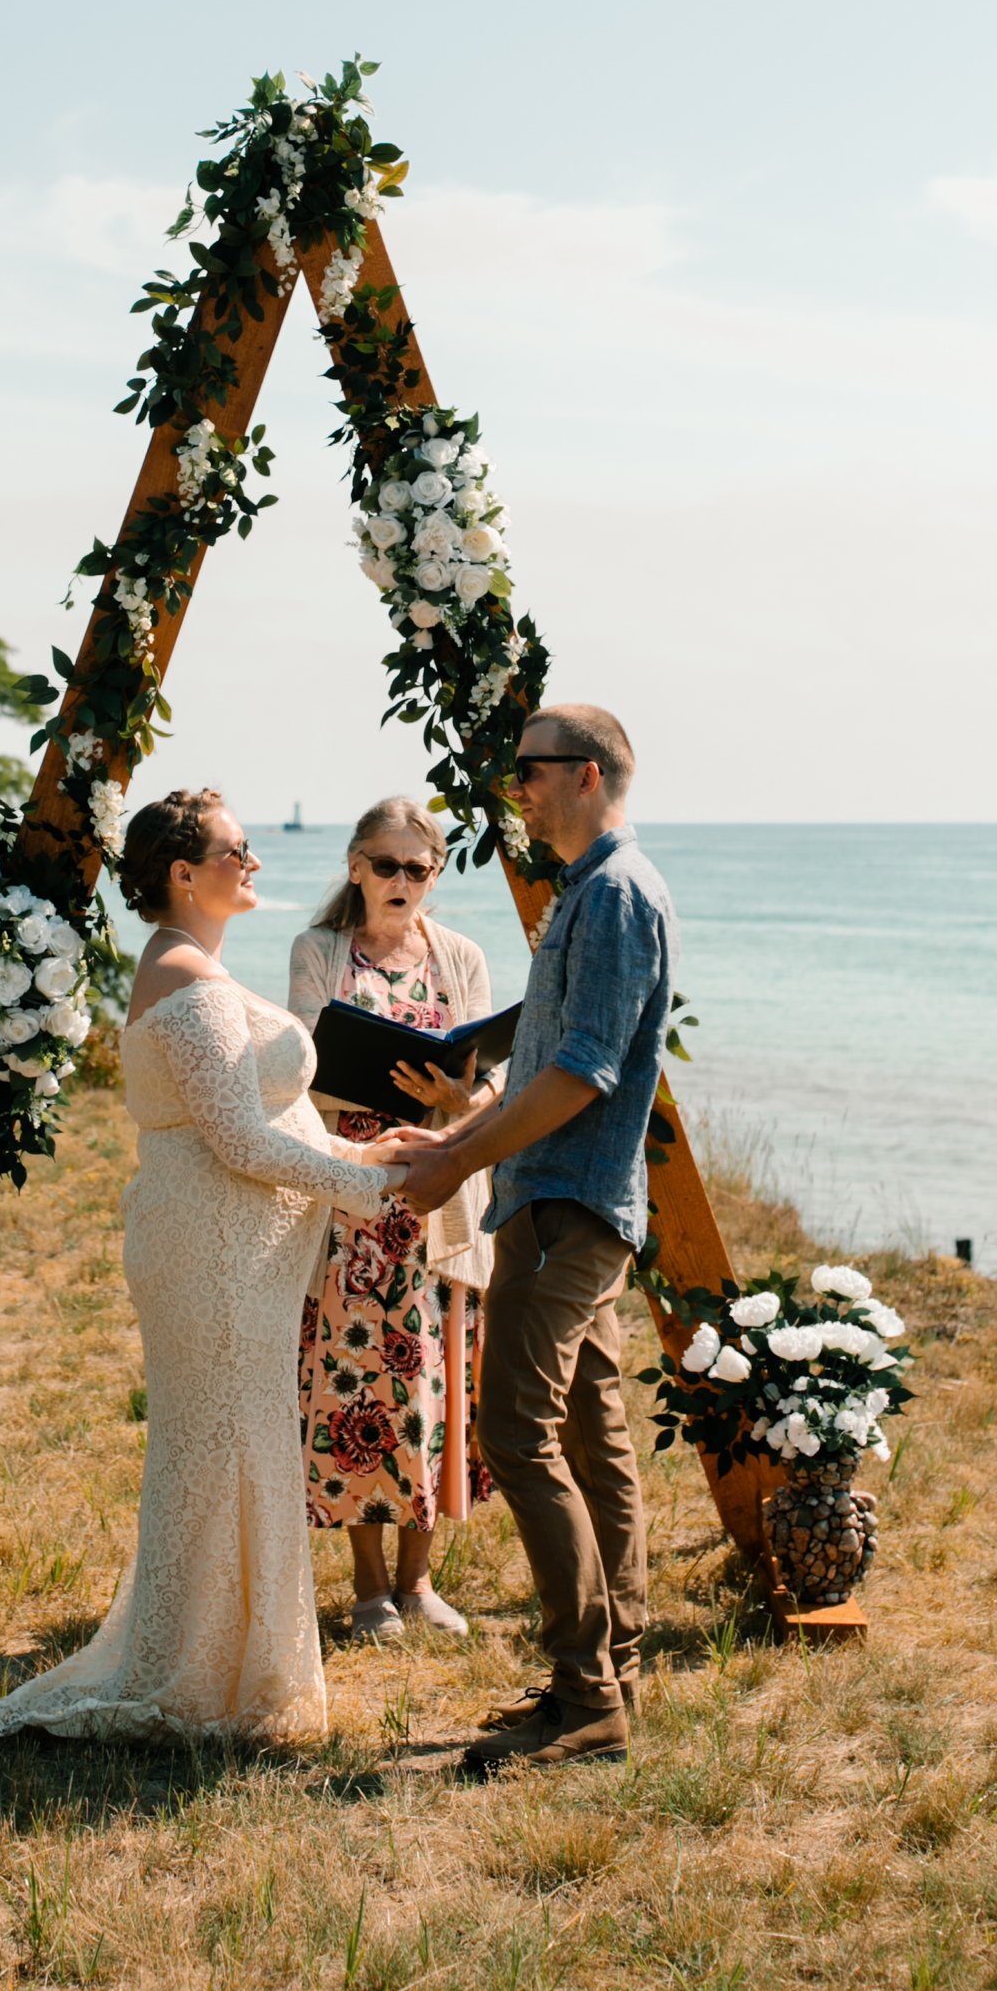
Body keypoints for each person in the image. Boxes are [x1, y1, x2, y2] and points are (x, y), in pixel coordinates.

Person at [0, 788, 407, 1747]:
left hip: (234, 1257)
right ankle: (198, 1672)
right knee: (223, 1452)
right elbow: (241, 1143)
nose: (252, 863)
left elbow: (251, 1129)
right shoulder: (183, 979)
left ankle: (230, 1659)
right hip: (213, 1256)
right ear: (183, 872)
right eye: (236, 850)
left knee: (234, 1449)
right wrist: (367, 1188)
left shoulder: (192, 969)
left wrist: (369, 1161)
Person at [387, 705, 674, 1777]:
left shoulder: (613, 896)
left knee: (513, 1427)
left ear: (588, 776)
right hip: (551, 1196)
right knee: (593, 1437)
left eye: (531, 771)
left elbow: (583, 1071)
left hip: (573, 1203)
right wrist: (460, 1130)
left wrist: (458, 1164)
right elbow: (543, 1055)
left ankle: (590, 1693)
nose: (514, 788)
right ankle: (602, 1680)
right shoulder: (585, 892)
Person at [289, 796, 497, 1641]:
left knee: (433, 1387)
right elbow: (302, 1070)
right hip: (353, 1199)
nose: (401, 881)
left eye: (418, 868)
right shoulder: (319, 951)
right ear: (354, 866)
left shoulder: (462, 957)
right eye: (386, 865)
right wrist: (377, 1093)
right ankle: (367, 1589)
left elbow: (490, 1083)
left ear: (436, 875)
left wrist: (459, 1098)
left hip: (439, 1195)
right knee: (352, 1385)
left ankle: (419, 1583)